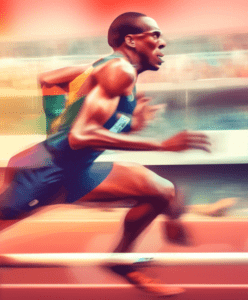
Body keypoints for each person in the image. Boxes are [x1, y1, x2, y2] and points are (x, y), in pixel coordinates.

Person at [0, 12, 233, 296]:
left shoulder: (110, 70)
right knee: (7, 215)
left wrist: (62, 126)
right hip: (45, 172)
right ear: (131, 40)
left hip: (78, 169)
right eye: (155, 36)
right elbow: (81, 135)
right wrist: (161, 145)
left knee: (161, 191)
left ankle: (121, 260)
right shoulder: (118, 72)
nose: (163, 43)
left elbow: (49, 80)